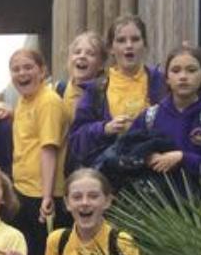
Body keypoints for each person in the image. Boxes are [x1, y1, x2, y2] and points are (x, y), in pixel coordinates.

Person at [128, 45, 201, 198]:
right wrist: (146, 157)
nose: (183, 76)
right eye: (176, 71)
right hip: (153, 206)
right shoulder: (150, 117)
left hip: (197, 208)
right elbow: (125, 153)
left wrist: (182, 158)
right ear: (167, 78)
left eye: (191, 70)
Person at [69, 14, 165, 168]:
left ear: (145, 45)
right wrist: (105, 128)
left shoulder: (162, 82)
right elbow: (76, 141)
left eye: (135, 39)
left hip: (155, 171)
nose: (129, 45)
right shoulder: (96, 89)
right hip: (112, 174)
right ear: (111, 48)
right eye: (121, 40)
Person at [8, 48, 70, 255]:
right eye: (16, 69)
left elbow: (48, 148)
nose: (22, 73)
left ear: (42, 71)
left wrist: (46, 196)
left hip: (42, 196)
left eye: (28, 67)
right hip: (23, 190)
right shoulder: (23, 101)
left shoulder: (48, 101)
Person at [58, 31, 107, 122]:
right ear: (69, 59)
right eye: (77, 52)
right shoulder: (59, 90)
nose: (82, 56)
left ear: (101, 64)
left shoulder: (104, 96)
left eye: (90, 54)